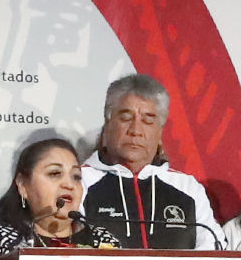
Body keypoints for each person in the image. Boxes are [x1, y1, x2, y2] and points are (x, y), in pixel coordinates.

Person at [79, 73, 220, 249]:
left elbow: (214, 251)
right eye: (126, 118)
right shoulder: (80, 182)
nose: (135, 130)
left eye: (147, 121)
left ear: (160, 133)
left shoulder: (188, 188)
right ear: (107, 125)